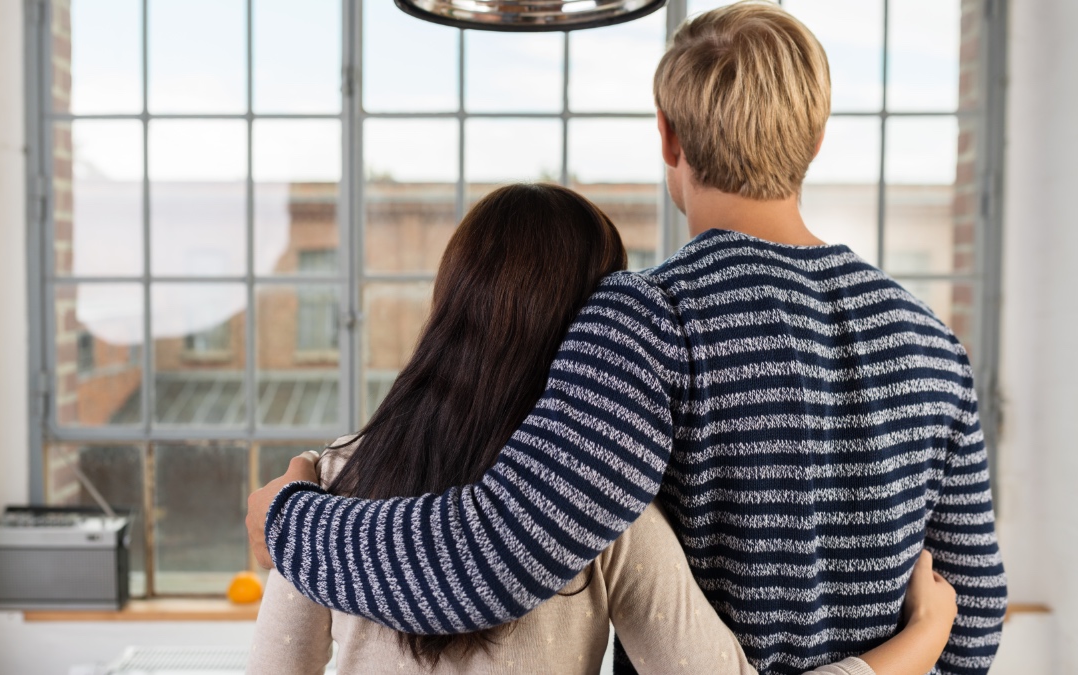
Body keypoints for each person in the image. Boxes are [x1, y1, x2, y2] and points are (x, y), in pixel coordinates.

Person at [246, 2, 1008, 673]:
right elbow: (967, 630)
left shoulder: (648, 320)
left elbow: (488, 556)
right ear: (814, 140)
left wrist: (289, 519)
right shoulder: (933, 344)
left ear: (669, 139)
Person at [246, 184, 959, 675]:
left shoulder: (325, 483)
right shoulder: (607, 521)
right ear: (588, 331)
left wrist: (289, 515)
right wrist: (919, 641)